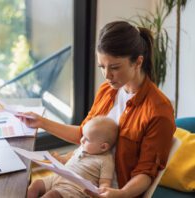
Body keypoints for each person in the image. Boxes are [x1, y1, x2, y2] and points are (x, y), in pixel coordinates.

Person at [19, 21, 176, 198]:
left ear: (138, 62)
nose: (107, 75)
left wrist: (121, 193)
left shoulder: (158, 111)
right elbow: (83, 134)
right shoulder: (107, 91)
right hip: (78, 176)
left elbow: (146, 173)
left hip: (109, 190)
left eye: (115, 67)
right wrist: (41, 123)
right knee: (25, 188)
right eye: (102, 67)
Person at [27, 116, 118, 198]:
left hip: (74, 188)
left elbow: (105, 183)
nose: (82, 140)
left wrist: (102, 190)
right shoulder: (83, 148)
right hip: (58, 177)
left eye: (87, 139)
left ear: (103, 147)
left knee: (52, 195)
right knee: (36, 184)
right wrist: (60, 160)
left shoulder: (106, 160)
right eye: (83, 136)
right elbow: (69, 159)